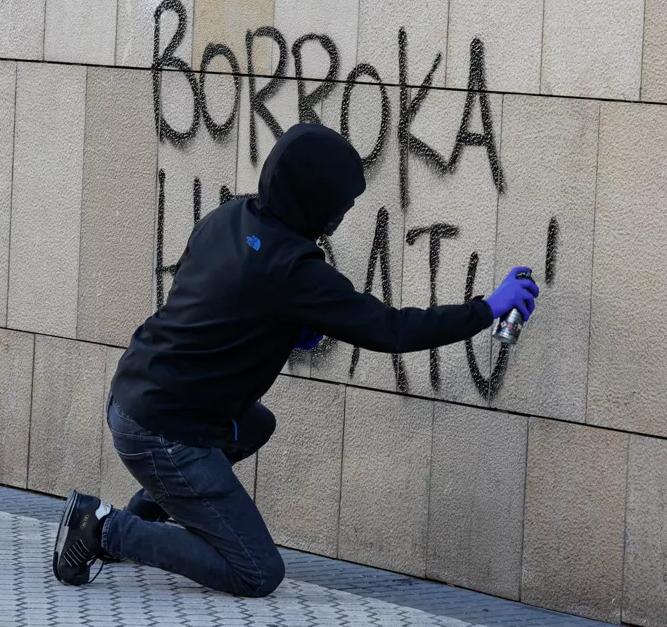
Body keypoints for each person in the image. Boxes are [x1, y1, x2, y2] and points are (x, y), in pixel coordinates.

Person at [51, 122, 539, 597]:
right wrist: (487, 309)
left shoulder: (231, 216)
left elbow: (210, 299)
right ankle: (104, 529)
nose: (343, 214)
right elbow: (391, 329)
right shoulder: (293, 269)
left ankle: (140, 516)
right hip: (161, 428)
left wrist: (278, 324)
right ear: (313, 198)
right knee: (256, 571)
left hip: (135, 390)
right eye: (339, 204)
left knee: (254, 425)